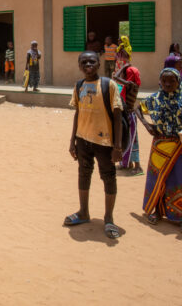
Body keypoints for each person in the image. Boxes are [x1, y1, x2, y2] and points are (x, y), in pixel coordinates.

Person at [136, 67, 182, 234]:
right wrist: (146, 125)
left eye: (171, 81)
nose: (167, 84)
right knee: (159, 179)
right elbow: (137, 109)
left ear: (178, 82)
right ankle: (158, 211)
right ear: (160, 81)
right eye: (164, 81)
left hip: (180, 146)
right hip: (160, 145)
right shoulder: (154, 100)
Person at [65, 51, 123, 240]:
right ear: (79, 66)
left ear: (99, 64)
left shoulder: (109, 85)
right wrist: (73, 140)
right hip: (83, 139)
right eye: (84, 62)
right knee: (84, 173)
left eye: (92, 61)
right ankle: (83, 212)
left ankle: (108, 218)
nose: (88, 64)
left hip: (104, 142)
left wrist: (117, 147)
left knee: (108, 176)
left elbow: (117, 116)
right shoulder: (79, 85)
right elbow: (77, 113)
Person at [113, 44, 142, 175]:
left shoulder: (131, 85)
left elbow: (115, 77)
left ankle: (138, 166)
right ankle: (128, 164)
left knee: (132, 140)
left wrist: (124, 67)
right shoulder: (128, 86)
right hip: (126, 114)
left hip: (130, 115)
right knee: (126, 139)